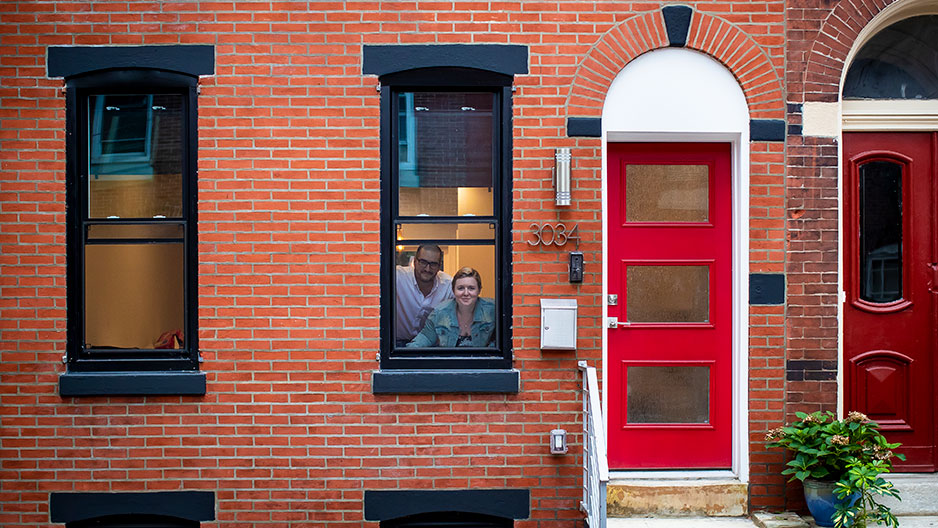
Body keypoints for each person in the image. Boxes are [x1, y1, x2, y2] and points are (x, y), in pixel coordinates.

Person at [406, 267, 495, 348]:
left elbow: (503, 341)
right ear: (453, 290)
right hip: (450, 365)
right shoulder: (439, 313)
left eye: (471, 288)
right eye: (460, 288)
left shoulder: (493, 310)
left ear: (479, 290)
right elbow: (424, 339)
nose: (466, 293)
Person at [395, 244, 453, 346]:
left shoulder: (448, 285)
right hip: (395, 344)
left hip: (430, 346)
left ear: (439, 266)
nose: (427, 268)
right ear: (415, 261)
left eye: (433, 264)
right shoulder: (397, 277)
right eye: (423, 262)